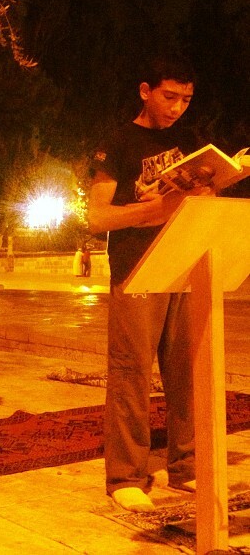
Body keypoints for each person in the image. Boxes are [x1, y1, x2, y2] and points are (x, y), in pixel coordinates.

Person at [88, 54, 213, 512]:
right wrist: (150, 212)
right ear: (145, 90)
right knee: (131, 373)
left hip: (184, 264)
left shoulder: (188, 140)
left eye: (186, 99)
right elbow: (96, 217)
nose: (178, 107)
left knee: (187, 373)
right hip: (136, 269)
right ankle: (125, 475)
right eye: (169, 96)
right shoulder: (117, 141)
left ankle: (189, 467)